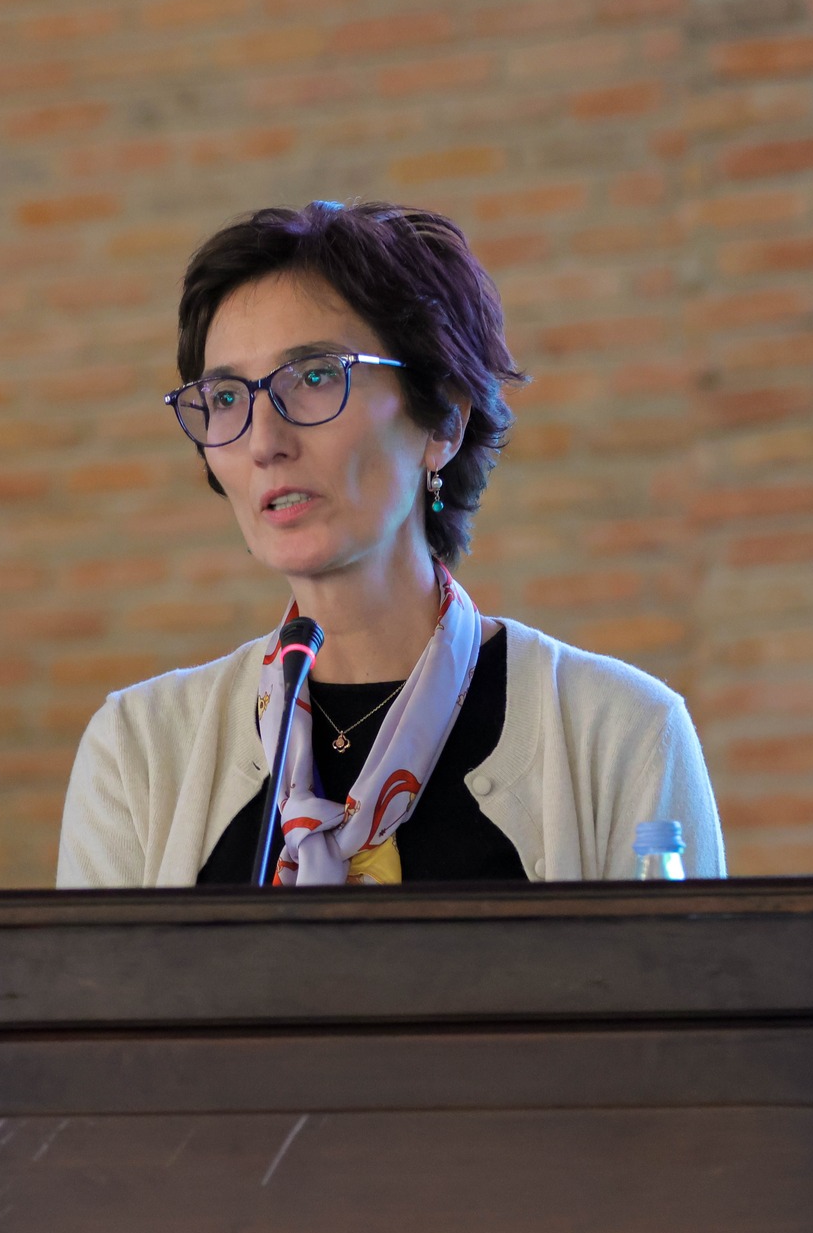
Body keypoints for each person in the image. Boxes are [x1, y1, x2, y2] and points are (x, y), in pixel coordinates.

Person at [56, 200, 724, 887]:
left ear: (443, 423)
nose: (263, 442)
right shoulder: (137, 751)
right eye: (226, 397)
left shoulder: (623, 733)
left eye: (315, 376)